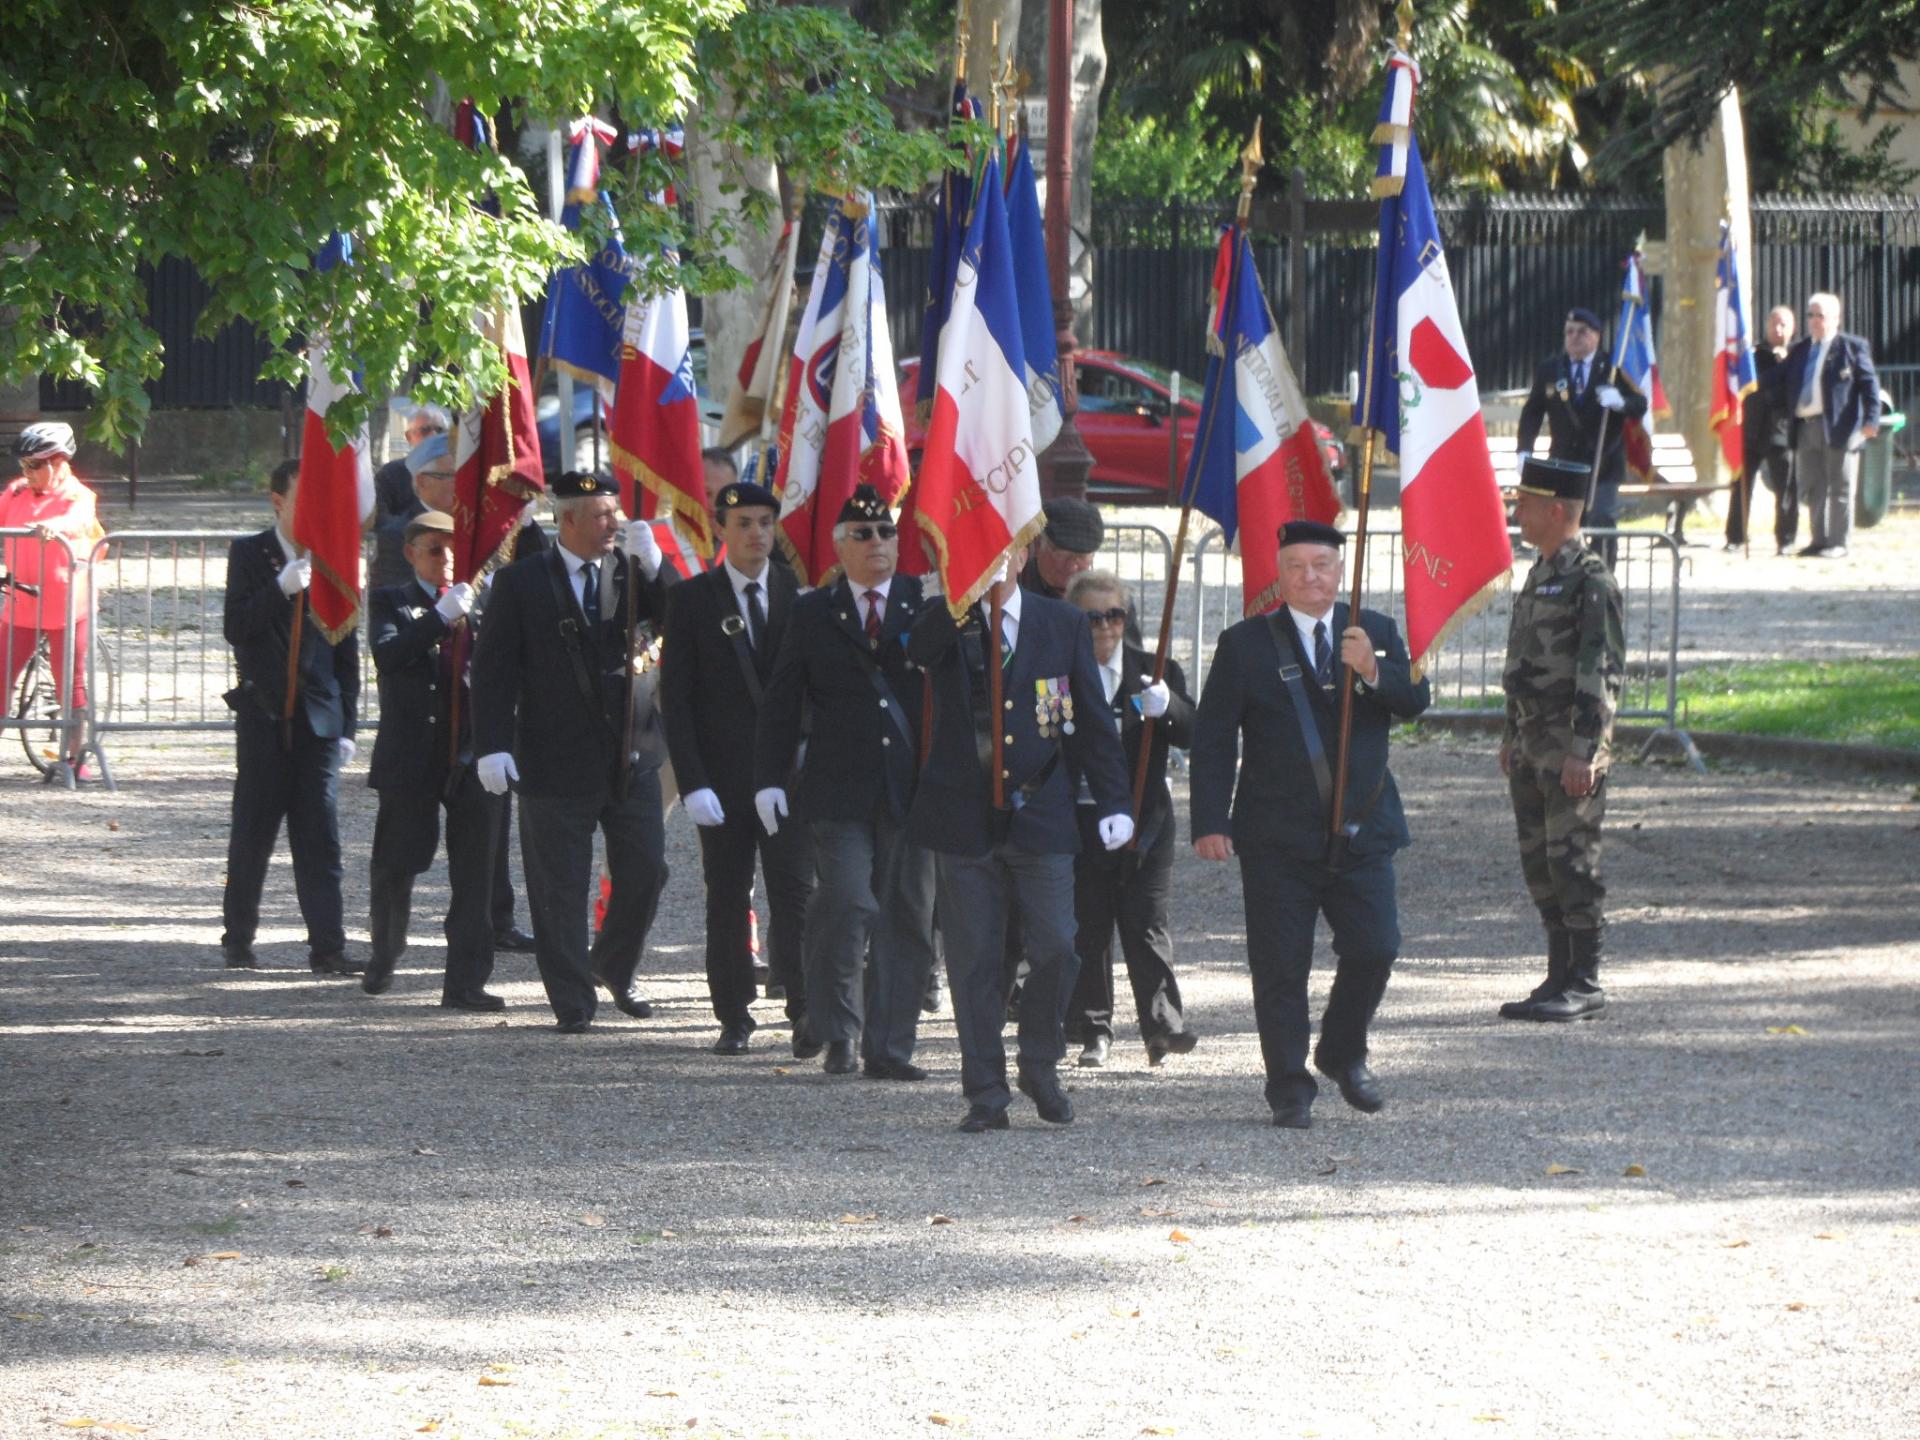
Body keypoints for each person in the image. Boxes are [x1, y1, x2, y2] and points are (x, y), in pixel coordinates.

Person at [1189, 520, 1429, 1129]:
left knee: (1376, 946)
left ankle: (1342, 1050)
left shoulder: (1374, 631)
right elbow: (1214, 737)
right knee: (1280, 966)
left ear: (1339, 570)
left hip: (1363, 828)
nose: (1310, 578)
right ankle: (1289, 1086)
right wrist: (1210, 820)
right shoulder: (1245, 644)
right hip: (1276, 835)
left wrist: (1373, 671)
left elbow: (1414, 701)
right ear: (1280, 574)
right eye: (1296, 567)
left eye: (1321, 565)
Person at [908, 546, 1133, 1133]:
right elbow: (917, 650)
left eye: (1006, 543)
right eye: (983, 542)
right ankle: (986, 1090)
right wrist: (956, 597)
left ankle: (1040, 1062)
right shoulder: (948, 615)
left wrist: (1114, 800)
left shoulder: (1060, 621)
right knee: (975, 959)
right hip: (964, 816)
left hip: (1043, 811)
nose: (995, 555)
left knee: (1057, 944)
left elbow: (1086, 715)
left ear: (1025, 550)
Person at [470, 470, 677, 1032]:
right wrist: (492, 745)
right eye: (603, 514)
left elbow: (678, 620)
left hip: (631, 753)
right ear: (567, 519)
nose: (615, 523)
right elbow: (493, 670)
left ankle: (613, 963)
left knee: (646, 870)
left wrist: (657, 567)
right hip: (554, 755)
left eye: (616, 512)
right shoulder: (521, 581)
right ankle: (572, 1000)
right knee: (558, 888)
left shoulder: (631, 570)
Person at [754, 485, 937, 1080]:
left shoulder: (924, 602)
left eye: (886, 532)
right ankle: (839, 1032)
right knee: (847, 902)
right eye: (863, 534)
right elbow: (783, 699)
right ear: (840, 546)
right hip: (839, 788)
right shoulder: (814, 612)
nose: (877, 542)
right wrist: (769, 777)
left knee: (905, 917)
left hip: (909, 790)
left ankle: (890, 1048)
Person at [659, 479, 813, 1055]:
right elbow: (677, 700)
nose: (756, 534)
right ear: (720, 529)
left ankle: (804, 1009)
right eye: (743, 523)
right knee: (726, 895)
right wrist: (692, 782)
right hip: (722, 778)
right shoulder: (693, 599)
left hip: (787, 777)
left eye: (765, 523)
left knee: (795, 894)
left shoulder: (799, 595)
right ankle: (733, 1014)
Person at [218, 457, 362, 976]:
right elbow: (236, 626)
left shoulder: (333, 558)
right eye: (305, 499)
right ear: (278, 502)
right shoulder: (249, 553)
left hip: (318, 721)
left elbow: (346, 650)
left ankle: (328, 947)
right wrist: (279, 589)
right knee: (253, 834)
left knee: (319, 838)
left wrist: (348, 724)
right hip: (264, 715)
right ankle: (238, 939)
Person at [362, 510, 505, 1010]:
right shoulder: (390, 601)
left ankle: (466, 981)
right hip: (413, 754)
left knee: (476, 874)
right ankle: (385, 951)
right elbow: (389, 655)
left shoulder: (483, 603)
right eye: (434, 550)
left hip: (471, 752)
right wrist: (439, 617)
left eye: (453, 550)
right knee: (397, 863)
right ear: (411, 554)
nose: (445, 560)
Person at [1499, 456, 1625, 1022]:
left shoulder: (1590, 579)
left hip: (1568, 746)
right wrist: (1511, 732)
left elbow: (1602, 671)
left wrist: (1585, 750)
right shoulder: (1540, 573)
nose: (1517, 512)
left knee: (1573, 861)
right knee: (1540, 863)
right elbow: (1522, 663)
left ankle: (1586, 980)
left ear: (1555, 511)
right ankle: (1558, 973)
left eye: (1526, 503)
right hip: (1531, 743)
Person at [1061, 570, 1198, 1069]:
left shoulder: (1153, 671)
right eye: (1092, 617)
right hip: (1082, 818)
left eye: (1114, 615)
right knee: (1090, 924)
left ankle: (1162, 1026)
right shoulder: (1058, 672)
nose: (1104, 626)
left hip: (1147, 820)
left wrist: (1169, 707)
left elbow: (1192, 731)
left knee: (1146, 922)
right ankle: (1093, 1029)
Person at [2, 423, 103, 780]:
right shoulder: (15, 492)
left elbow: (79, 520)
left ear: (59, 462)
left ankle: (75, 758)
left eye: (33, 465)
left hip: (66, 607)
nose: (26, 473)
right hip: (21, 603)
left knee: (70, 684)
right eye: (23, 465)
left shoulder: (79, 495)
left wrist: (55, 526)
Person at [1763, 291, 1880, 559]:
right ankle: (1819, 540)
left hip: (1840, 428)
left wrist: (1871, 420)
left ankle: (1839, 542)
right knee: (1814, 487)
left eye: (1821, 315)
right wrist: (1745, 380)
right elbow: (1776, 377)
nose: (1815, 320)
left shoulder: (1851, 347)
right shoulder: (1801, 350)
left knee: (1840, 487)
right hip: (1806, 428)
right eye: (1811, 315)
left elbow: (1869, 385)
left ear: (1835, 319)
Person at [1516, 307, 1648, 537]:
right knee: (1561, 525)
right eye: (1569, 332)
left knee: (1601, 521)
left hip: (1603, 464)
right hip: (1564, 463)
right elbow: (1532, 413)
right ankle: (1567, 562)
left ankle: (1602, 561)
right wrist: (1524, 450)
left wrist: (1621, 402)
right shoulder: (1551, 369)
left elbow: (1640, 404)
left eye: (1582, 332)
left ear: (1596, 336)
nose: (1574, 337)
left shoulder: (1614, 369)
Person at [1724, 306, 1799, 554]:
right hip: (1752, 427)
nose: (1778, 329)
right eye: (1774, 324)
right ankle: (1736, 536)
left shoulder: (1797, 355)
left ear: (1792, 328)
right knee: (1742, 485)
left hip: (1781, 429)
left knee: (1785, 487)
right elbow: (1749, 384)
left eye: (1783, 325)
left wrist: (1786, 364)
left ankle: (1786, 539)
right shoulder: (1754, 354)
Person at [371, 435, 457, 588]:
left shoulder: (475, 527)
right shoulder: (396, 536)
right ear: (422, 481)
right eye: (453, 476)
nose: (464, 483)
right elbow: (398, 598)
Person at [374, 404, 450, 521]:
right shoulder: (390, 474)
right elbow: (381, 520)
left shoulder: (458, 471)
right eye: (425, 430)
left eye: (439, 430)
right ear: (409, 437)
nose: (433, 435)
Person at [1018, 495, 1103, 600]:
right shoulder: (1012, 590)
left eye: (1082, 556)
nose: (1072, 567)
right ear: (1038, 545)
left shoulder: (1102, 598)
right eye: (1061, 555)